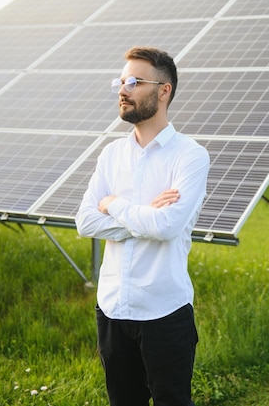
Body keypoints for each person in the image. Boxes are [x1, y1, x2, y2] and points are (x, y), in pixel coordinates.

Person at [75, 46, 210, 406]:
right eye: (120, 81)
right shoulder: (111, 154)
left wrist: (115, 205)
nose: (123, 89)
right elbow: (85, 220)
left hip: (164, 312)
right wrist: (142, 215)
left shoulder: (190, 155)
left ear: (163, 91)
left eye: (134, 82)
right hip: (112, 309)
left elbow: (166, 227)